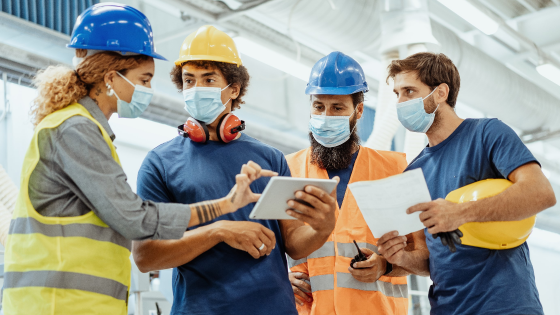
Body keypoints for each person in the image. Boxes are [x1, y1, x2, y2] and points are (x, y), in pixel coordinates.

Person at [1, 5, 271, 315]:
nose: (148, 90)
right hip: (57, 304)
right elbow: (135, 219)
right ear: (112, 77)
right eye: (144, 79)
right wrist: (223, 209)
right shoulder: (75, 129)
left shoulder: (89, 131)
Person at [131, 25, 339, 315]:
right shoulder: (160, 163)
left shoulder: (271, 159)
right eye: (189, 80)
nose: (196, 89)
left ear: (234, 88)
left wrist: (324, 227)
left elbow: (293, 244)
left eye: (208, 79)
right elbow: (145, 257)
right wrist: (218, 231)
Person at [377, 52, 557, 315]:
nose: (401, 102)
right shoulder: (413, 171)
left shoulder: (487, 134)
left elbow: (541, 193)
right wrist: (400, 258)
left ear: (441, 93)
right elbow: (430, 258)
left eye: (409, 91)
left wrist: (460, 213)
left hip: (505, 306)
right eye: (397, 94)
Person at [287, 51, 429, 315]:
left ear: (359, 110)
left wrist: (385, 265)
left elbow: (424, 257)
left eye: (338, 108)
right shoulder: (288, 169)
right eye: (319, 107)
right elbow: (264, 245)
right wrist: (279, 277)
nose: (326, 116)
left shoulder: (396, 170)